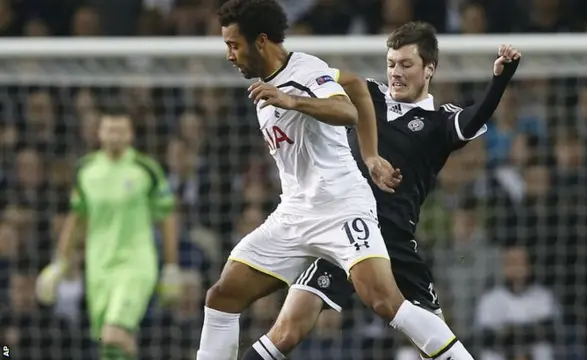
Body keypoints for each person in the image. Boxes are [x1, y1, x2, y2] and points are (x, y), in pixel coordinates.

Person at [195, 1, 478, 360]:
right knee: (222, 296)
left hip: (342, 208)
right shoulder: (275, 80)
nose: (229, 55)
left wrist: (293, 101)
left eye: (234, 45)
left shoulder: (303, 72)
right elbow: (357, 85)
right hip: (294, 215)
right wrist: (372, 154)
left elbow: (346, 109)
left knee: (384, 300)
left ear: (261, 41)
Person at [240, 22, 521, 360]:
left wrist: (500, 80)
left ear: (429, 69)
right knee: (286, 331)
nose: (396, 73)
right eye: (391, 64)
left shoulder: (439, 123)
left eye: (406, 65)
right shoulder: (367, 95)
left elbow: (473, 120)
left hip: (394, 241)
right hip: (342, 232)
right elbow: (315, 78)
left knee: (433, 344)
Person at [35, 109, 181, 360]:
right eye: (110, 130)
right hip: (98, 268)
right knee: (110, 346)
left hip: (135, 265)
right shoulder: (86, 170)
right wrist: (59, 263)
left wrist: (170, 265)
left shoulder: (145, 169)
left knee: (114, 333)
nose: (115, 136)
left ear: (130, 135)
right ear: (99, 133)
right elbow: (77, 218)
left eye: (121, 131)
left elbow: (166, 218)